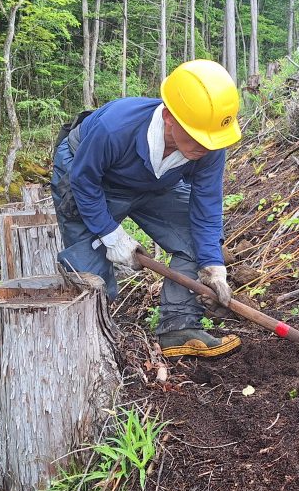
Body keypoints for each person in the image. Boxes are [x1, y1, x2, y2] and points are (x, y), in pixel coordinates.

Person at [51, 59, 242, 359]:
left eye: (211, 140)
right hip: (88, 175)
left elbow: (206, 207)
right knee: (90, 272)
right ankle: (95, 342)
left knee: (196, 240)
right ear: (169, 117)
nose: (206, 147)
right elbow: (84, 181)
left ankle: (178, 327)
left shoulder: (210, 147)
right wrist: (111, 235)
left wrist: (212, 265)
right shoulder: (115, 127)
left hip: (156, 183)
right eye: (197, 137)